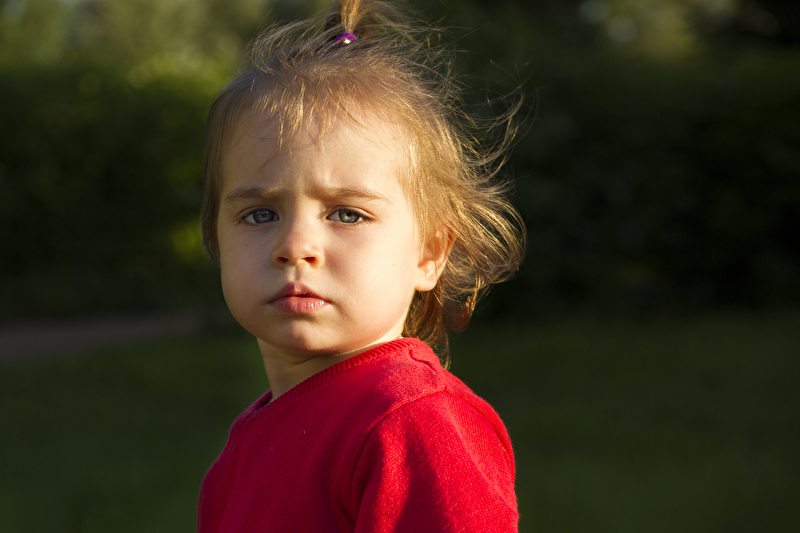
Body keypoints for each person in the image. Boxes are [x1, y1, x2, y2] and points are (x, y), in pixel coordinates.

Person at [197, 0, 525, 531]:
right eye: (260, 214)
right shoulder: (242, 453)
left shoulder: (413, 422)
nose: (295, 246)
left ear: (429, 254)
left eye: (347, 213)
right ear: (216, 237)